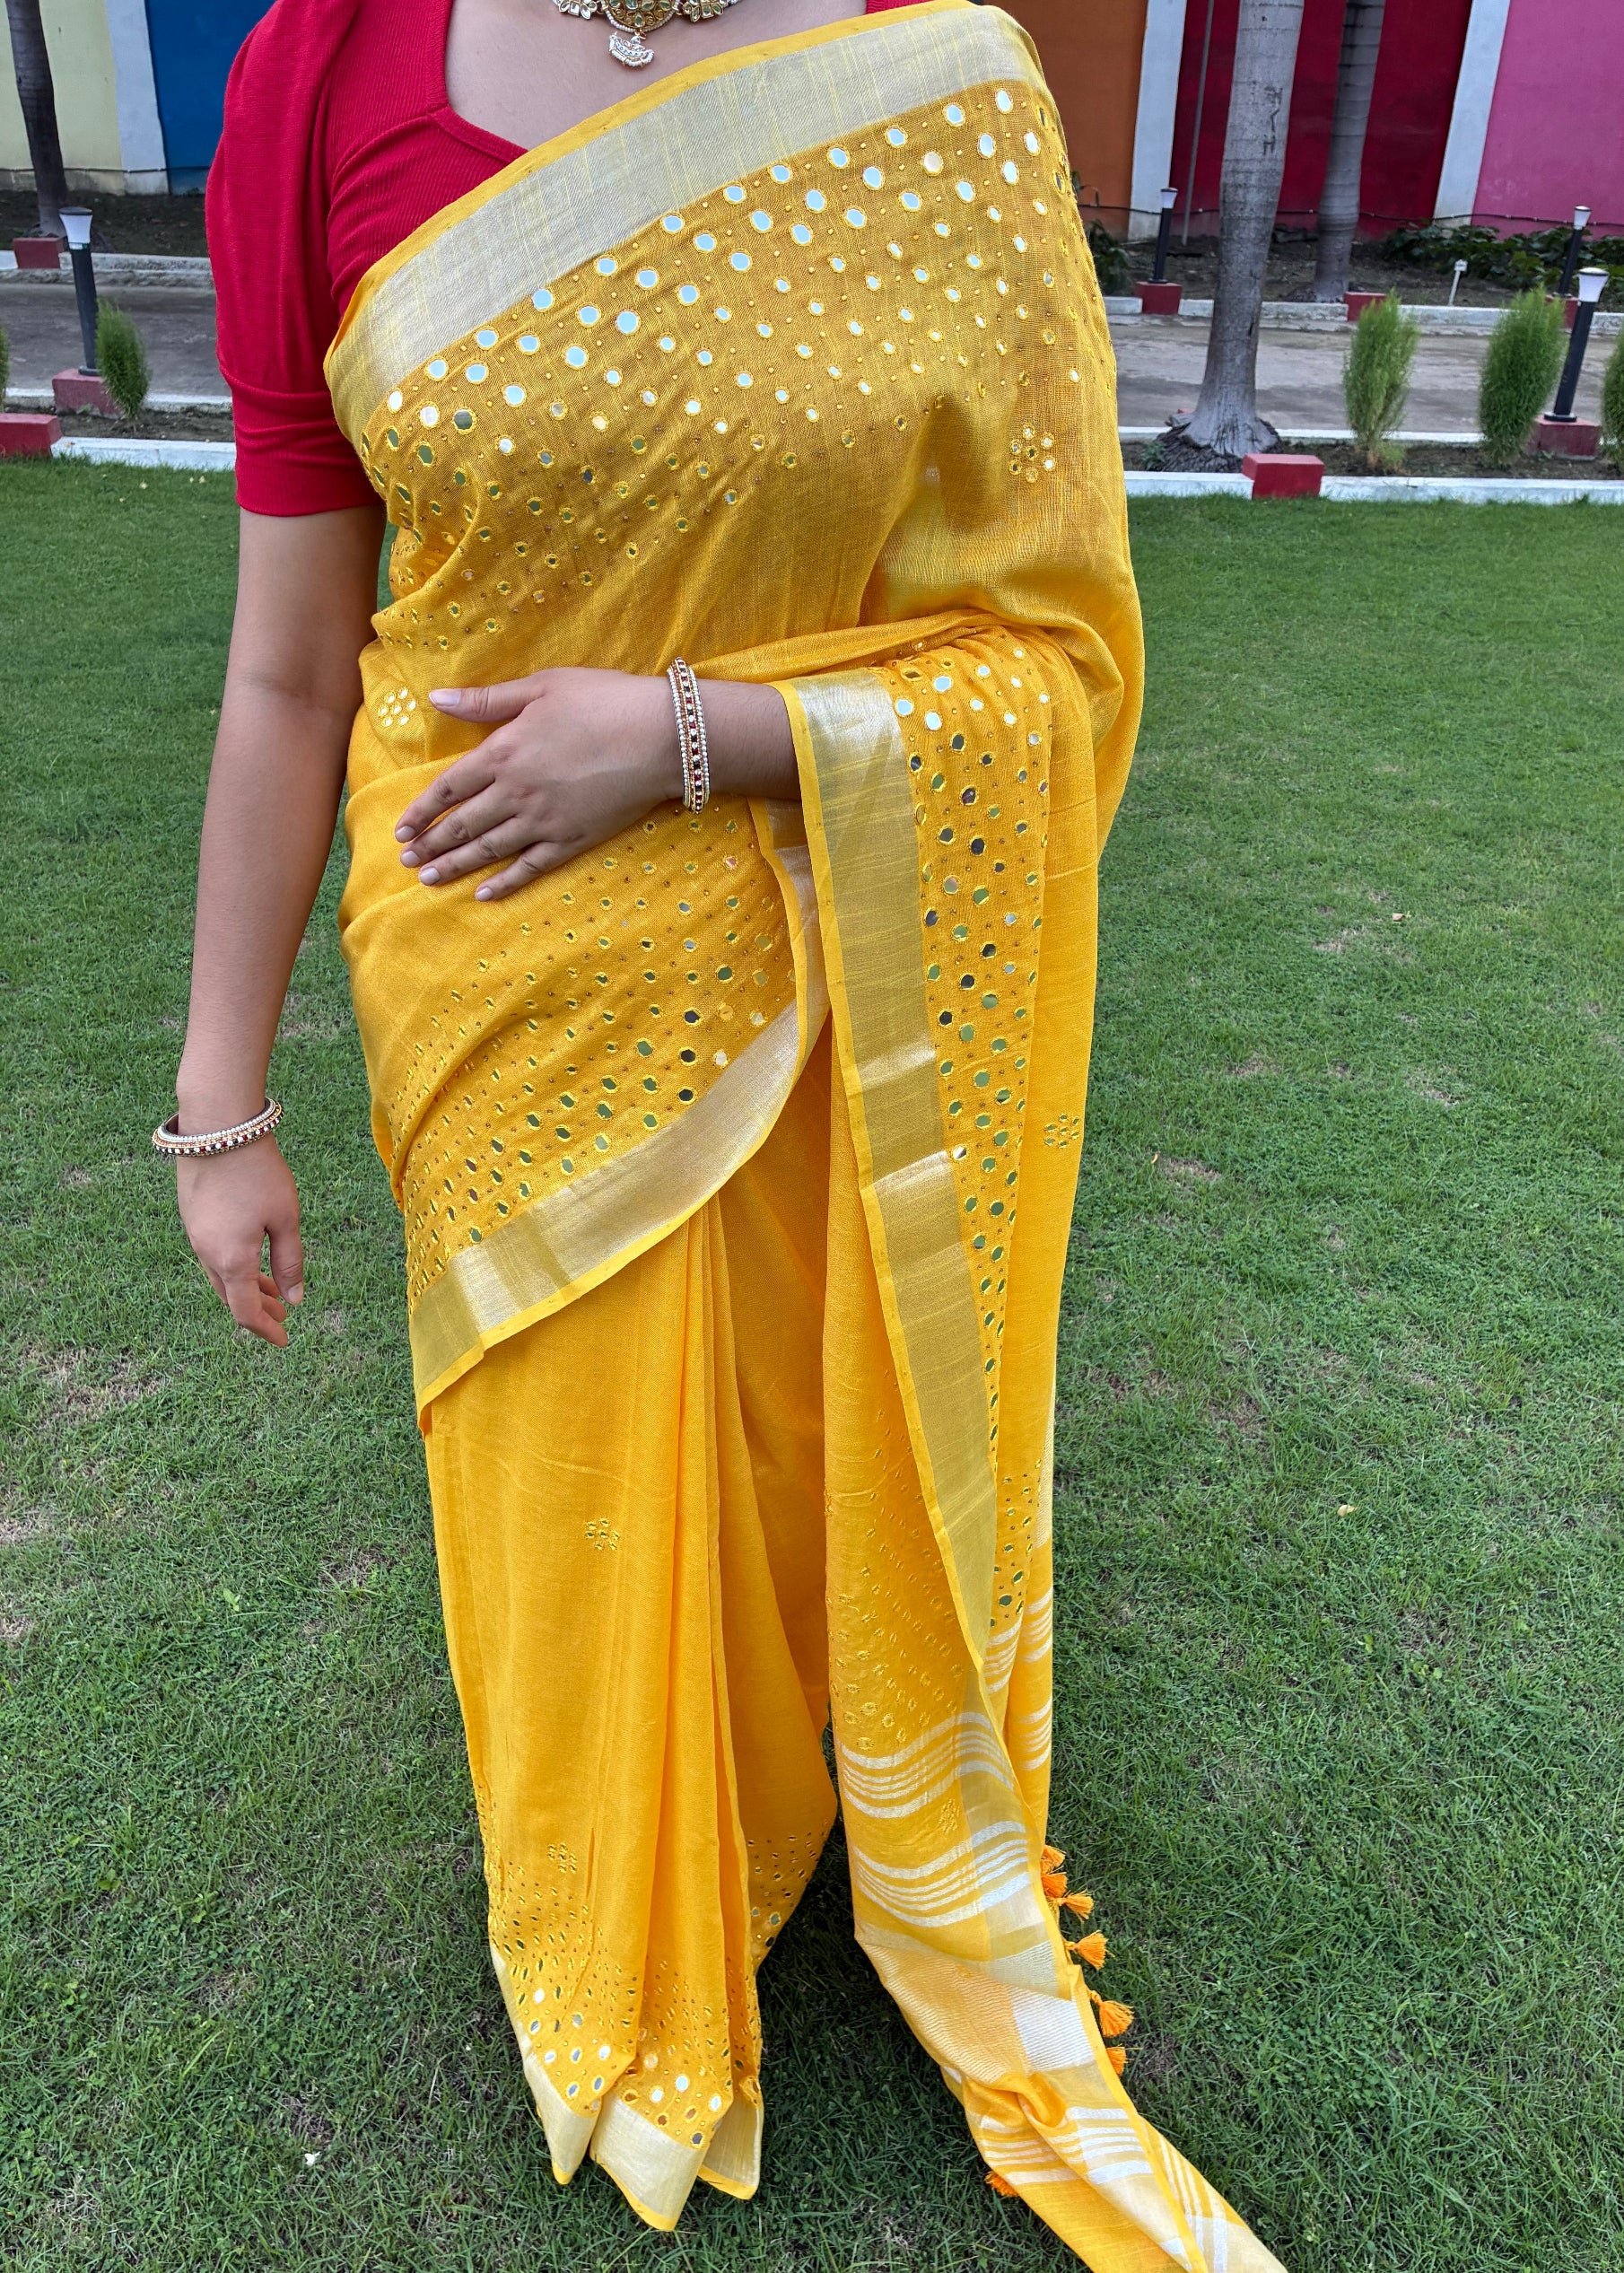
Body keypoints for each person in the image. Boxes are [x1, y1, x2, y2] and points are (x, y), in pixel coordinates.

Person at [170, 0, 1283, 2262]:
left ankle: (837, 1817)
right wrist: (218, 1109)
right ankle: (625, 1916)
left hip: (823, 954)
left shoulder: (935, 87)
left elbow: (1056, 656)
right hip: (494, 984)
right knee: (559, 1486)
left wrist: (698, 734)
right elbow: (294, 665)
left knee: (802, 1434)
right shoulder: (320, 70)